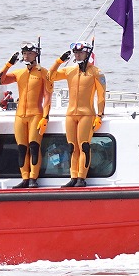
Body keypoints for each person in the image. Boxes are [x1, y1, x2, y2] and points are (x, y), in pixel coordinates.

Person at [0, 42, 53, 188]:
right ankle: (25, 178)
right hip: (20, 115)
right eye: (24, 54)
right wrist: (9, 64)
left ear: (36, 55)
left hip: (36, 114)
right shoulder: (19, 73)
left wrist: (45, 116)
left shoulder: (43, 73)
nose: (26, 56)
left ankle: (33, 178)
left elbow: (47, 96)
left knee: (34, 146)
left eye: (29, 53)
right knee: (21, 147)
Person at [49, 41, 105, 187]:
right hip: (71, 114)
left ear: (87, 53)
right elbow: (51, 76)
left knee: (84, 146)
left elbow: (102, 95)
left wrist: (100, 115)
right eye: (76, 53)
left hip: (87, 114)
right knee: (71, 147)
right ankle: (73, 176)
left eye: (80, 52)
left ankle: (81, 177)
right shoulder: (69, 71)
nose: (77, 55)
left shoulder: (96, 72)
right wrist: (59, 61)